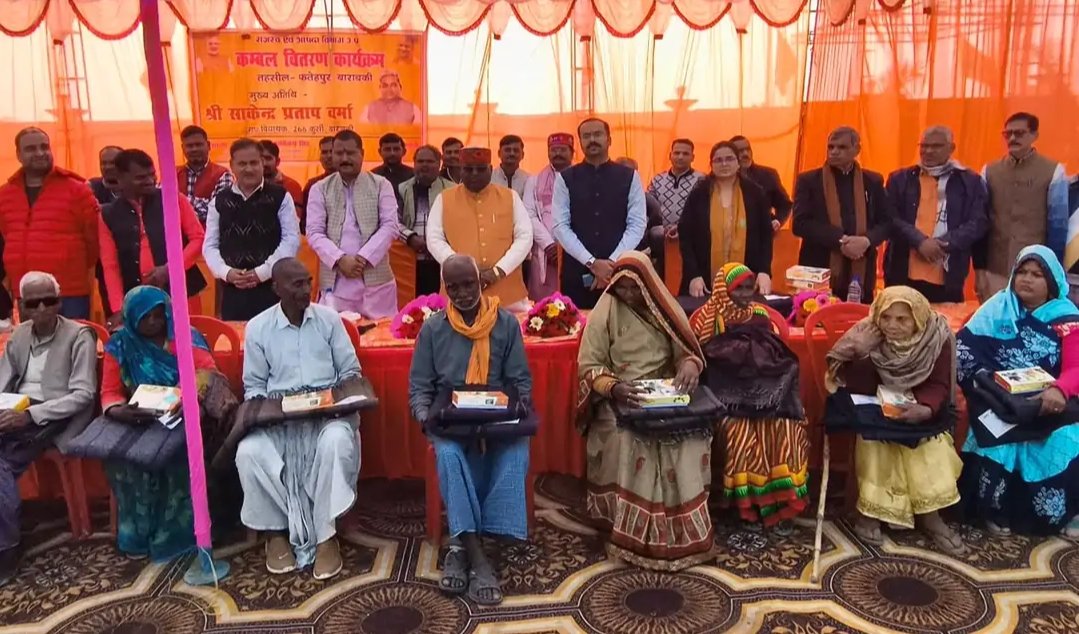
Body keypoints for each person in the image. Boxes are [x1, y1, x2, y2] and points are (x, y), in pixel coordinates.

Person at [408, 254, 532, 604]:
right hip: (450, 419)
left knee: (517, 450)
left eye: (468, 285)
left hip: (496, 418)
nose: (463, 294)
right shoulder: (433, 329)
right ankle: (477, 556)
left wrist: (516, 408)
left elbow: (520, 381)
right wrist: (426, 417)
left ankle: (461, 545)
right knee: (448, 454)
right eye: (454, 287)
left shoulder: (505, 324)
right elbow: (420, 387)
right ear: (445, 289)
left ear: (481, 283)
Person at [577, 251, 712, 570]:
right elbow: (589, 365)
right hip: (621, 394)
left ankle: (683, 534)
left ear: (648, 284)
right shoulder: (606, 309)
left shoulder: (663, 306)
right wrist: (614, 388)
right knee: (629, 438)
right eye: (622, 288)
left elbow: (687, 351)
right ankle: (630, 533)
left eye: (634, 288)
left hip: (666, 391)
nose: (627, 294)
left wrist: (690, 365)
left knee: (688, 439)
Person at [236, 258, 363, 580]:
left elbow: (350, 372)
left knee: (336, 442)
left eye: (308, 281)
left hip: (327, 416)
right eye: (297, 284)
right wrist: (274, 410)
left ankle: (326, 535)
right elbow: (254, 386)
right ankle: (275, 532)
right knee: (249, 452)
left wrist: (329, 401)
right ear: (276, 288)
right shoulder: (258, 328)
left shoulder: (329, 320)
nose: (306, 290)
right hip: (280, 420)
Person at [826, 286, 966, 553]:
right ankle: (870, 512)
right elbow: (857, 385)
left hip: (921, 407)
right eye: (886, 317)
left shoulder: (937, 337)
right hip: (877, 405)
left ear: (919, 318)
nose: (892, 326)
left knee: (930, 445)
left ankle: (931, 516)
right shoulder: (867, 333)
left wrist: (925, 409)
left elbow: (939, 383)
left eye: (902, 319)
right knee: (877, 442)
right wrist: (861, 353)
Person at [957, 245, 1079, 536]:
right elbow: (963, 350)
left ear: (1052, 281)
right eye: (1022, 272)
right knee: (992, 435)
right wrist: (990, 386)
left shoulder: (1067, 318)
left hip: (1048, 401)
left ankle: (1063, 514)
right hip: (998, 398)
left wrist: (1059, 391)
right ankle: (991, 511)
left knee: (1064, 439)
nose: (1027, 279)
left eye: (1037, 274)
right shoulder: (996, 308)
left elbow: (1076, 367)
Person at [100, 286, 223, 560]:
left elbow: (207, 372)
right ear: (131, 317)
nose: (154, 322)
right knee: (121, 460)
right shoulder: (120, 345)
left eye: (159, 315)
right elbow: (109, 392)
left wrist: (182, 395)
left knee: (176, 455)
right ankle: (136, 535)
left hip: (182, 413)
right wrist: (118, 410)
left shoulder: (184, 336)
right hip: (138, 416)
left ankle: (174, 536)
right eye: (145, 317)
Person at [689, 263, 809, 532]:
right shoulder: (708, 319)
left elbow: (773, 358)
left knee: (787, 426)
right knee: (741, 432)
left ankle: (779, 503)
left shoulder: (760, 314)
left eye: (748, 288)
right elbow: (700, 363)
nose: (745, 295)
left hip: (762, 394)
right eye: (738, 289)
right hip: (725, 398)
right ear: (723, 289)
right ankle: (746, 507)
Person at [0, 272, 96, 586]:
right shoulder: (19, 336)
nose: (42, 308)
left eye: (49, 301)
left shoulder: (78, 336)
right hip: (15, 411)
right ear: (22, 306)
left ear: (59, 302)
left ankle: (7, 548)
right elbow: (3, 380)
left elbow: (83, 394)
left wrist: (31, 415)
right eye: (33, 303)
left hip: (53, 416)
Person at [0, 127, 99, 319]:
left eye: (44, 147)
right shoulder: (5, 195)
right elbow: (6, 236)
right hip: (26, 293)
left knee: (73, 338)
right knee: (32, 339)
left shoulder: (77, 190)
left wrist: (68, 263)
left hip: (69, 292)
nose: (40, 153)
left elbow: (93, 241)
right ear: (18, 155)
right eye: (31, 149)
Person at [99, 149, 206, 324]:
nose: (150, 181)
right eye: (141, 177)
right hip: (137, 299)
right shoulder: (108, 214)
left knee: (187, 336)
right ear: (120, 179)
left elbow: (198, 238)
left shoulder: (174, 200)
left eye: (152, 174)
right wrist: (118, 308)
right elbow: (110, 265)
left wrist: (170, 269)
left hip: (182, 292)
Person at [883, 126, 988, 303]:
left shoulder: (970, 182)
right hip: (902, 271)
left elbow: (978, 223)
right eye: (924, 146)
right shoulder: (900, 179)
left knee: (941, 320)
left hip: (948, 273)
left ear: (951, 148)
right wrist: (920, 241)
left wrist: (943, 244)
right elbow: (890, 217)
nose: (928, 151)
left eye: (936, 146)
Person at [552, 118, 647, 310]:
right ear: (580, 142)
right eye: (586, 136)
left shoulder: (629, 177)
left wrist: (611, 263)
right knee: (578, 325)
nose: (592, 140)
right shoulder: (565, 178)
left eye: (597, 134)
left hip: (621, 273)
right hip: (577, 272)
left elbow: (637, 224)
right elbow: (560, 226)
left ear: (609, 140)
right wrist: (591, 263)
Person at [974, 113, 1070, 301]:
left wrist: (1052, 273)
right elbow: (980, 223)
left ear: (1034, 135)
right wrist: (980, 270)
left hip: (1035, 272)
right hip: (996, 270)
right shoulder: (990, 171)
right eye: (1007, 134)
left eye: (1019, 133)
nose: (1012, 138)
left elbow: (1058, 227)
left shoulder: (1053, 171)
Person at [203, 138, 301, 321]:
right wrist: (226, 273)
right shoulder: (219, 201)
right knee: (237, 337)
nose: (248, 169)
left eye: (254, 163)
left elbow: (291, 239)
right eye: (242, 164)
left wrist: (262, 273)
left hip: (273, 289)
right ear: (232, 165)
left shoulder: (280, 197)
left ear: (262, 163)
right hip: (232, 291)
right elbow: (210, 245)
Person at [306, 130, 399, 319]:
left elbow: (390, 226)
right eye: (339, 153)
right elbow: (314, 232)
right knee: (335, 332)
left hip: (376, 280)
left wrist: (363, 258)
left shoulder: (381, 184)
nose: (345, 158)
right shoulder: (320, 189)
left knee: (381, 333)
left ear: (362, 154)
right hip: (336, 281)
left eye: (350, 153)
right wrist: (340, 259)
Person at [792, 127, 891, 302]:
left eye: (842, 147)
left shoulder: (872, 181)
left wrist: (866, 240)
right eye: (831, 147)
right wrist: (841, 240)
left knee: (858, 316)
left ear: (857, 150)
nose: (834, 151)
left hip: (861, 268)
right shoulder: (809, 180)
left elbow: (886, 223)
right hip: (819, 269)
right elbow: (800, 224)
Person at [427, 148, 532, 311]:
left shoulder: (510, 197)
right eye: (468, 169)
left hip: (508, 293)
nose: (474, 174)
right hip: (458, 292)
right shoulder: (444, 199)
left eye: (481, 169)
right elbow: (433, 238)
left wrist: (499, 271)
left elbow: (525, 237)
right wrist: (460, 268)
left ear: (490, 169)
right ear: (461, 170)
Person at [679, 141, 774, 299]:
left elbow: (766, 236)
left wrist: (764, 271)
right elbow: (686, 238)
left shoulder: (755, 193)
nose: (724, 164)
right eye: (718, 160)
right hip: (703, 283)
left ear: (738, 163)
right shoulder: (699, 194)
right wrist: (693, 275)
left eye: (729, 159)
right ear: (711, 164)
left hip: (748, 280)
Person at [523, 133, 575, 300]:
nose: (557, 153)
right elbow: (529, 215)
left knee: (575, 301)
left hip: (575, 250)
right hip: (545, 252)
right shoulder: (534, 181)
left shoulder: (582, 179)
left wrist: (567, 246)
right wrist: (549, 245)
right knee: (544, 306)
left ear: (572, 152)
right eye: (553, 150)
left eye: (562, 150)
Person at [398, 145, 455, 296]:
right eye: (420, 161)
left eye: (430, 161)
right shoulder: (402, 189)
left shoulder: (452, 190)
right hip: (411, 259)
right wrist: (410, 237)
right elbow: (393, 221)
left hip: (442, 259)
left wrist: (435, 243)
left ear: (439, 164)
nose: (424, 165)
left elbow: (459, 223)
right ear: (414, 164)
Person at [647, 139, 703, 270]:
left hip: (690, 241)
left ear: (693, 157)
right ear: (670, 155)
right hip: (661, 242)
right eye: (677, 153)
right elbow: (649, 207)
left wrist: (682, 228)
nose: (680, 157)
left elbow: (702, 212)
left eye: (685, 153)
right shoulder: (657, 180)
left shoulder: (701, 180)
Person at [730, 135, 792, 233]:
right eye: (740, 151)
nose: (745, 154)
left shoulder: (768, 175)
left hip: (761, 235)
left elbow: (785, 204)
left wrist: (778, 221)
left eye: (748, 149)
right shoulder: (722, 178)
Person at [178, 125, 233, 225]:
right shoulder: (172, 175)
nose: (194, 149)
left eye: (198, 145)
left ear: (208, 145)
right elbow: (162, 205)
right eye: (189, 146)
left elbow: (218, 209)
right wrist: (203, 204)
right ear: (183, 148)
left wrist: (179, 203)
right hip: (177, 234)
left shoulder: (223, 174)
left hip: (210, 233)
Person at [258, 140, 305, 219]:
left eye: (268, 158)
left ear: (277, 161)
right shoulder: (247, 186)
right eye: (260, 159)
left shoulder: (292, 186)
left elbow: (294, 220)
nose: (264, 163)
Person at [300, 136, 336, 234]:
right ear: (320, 158)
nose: (329, 156)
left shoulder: (352, 182)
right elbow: (304, 222)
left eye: (332, 151)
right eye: (324, 152)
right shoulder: (312, 185)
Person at [372, 133, 416, 203]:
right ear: (380, 152)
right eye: (387, 149)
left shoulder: (413, 175)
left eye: (396, 149)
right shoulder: (373, 176)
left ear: (404, 151)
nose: (392, 153)